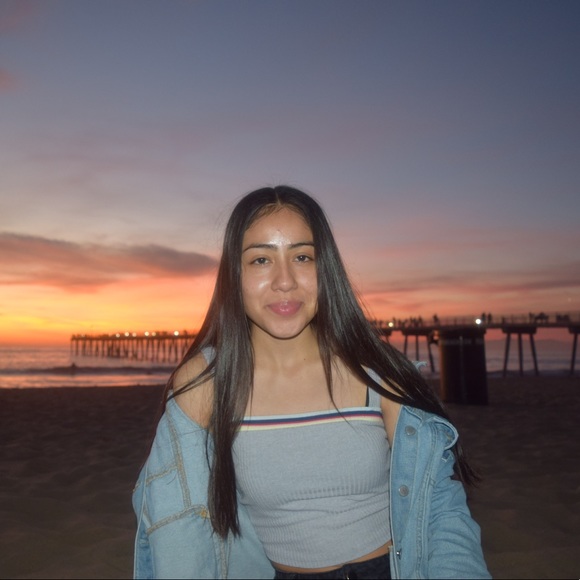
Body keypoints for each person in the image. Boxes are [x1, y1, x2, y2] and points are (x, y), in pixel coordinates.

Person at [132, 185, 490, 579]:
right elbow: (175, 525)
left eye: (302, 257)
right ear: (234, 275)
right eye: (261, 260)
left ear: (325, 268)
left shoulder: (377, 374)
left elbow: (441, 508)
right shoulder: (207, 384)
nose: (285, 281)